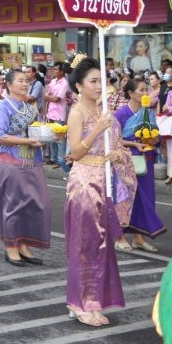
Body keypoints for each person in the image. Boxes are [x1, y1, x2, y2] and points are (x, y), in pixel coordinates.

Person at [65, 57, 129, 327]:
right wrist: (97, 130)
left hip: (105, 181)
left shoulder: (105, 111)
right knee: (83, 245)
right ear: (79, 86)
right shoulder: (76, 113)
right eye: (93, 81)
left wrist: (117, 153)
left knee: (102, 244)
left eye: (101, 81)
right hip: (83, 183)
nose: (99, 86)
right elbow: (76, 152)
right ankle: (78, 302)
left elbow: (116, 144)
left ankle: (95, 301)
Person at [0, 69, 51, 267]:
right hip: (12, 158)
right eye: (20, 81)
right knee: (14, 203)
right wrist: (26, 141)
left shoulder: (29, 107)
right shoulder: (3, 107)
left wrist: (47, 137)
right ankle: (11, 245)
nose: (25, 84)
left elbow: (35, 131)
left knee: (35, 203)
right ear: (9, 85)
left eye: (26, 81)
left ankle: (24, 243)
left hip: (33, 159)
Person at [114, 78, 166, 251]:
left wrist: (154, 138)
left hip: (146, 158)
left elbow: (157, 136)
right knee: (124, 197)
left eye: (146, 90)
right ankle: (120, 236)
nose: (145, 93)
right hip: (126, 159)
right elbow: (114, 140)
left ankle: (139, 237)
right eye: (141, 90)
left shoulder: (148, 113)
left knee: (145, 197)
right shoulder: (120, 114)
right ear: (131, 93)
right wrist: (134, 144)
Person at [44, 63, 71, 169]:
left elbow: (56, 99)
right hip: (51, 112)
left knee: (60, 138)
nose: (54, 71)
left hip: (60, 113)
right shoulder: (53, 81)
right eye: (54, 69)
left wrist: (50, 97)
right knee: (51, 136)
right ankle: (53, 158)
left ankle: (61, 159)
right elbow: (46, 95)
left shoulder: (65, 83)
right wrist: (50, 97)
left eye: (56, 69)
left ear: (62, 71)